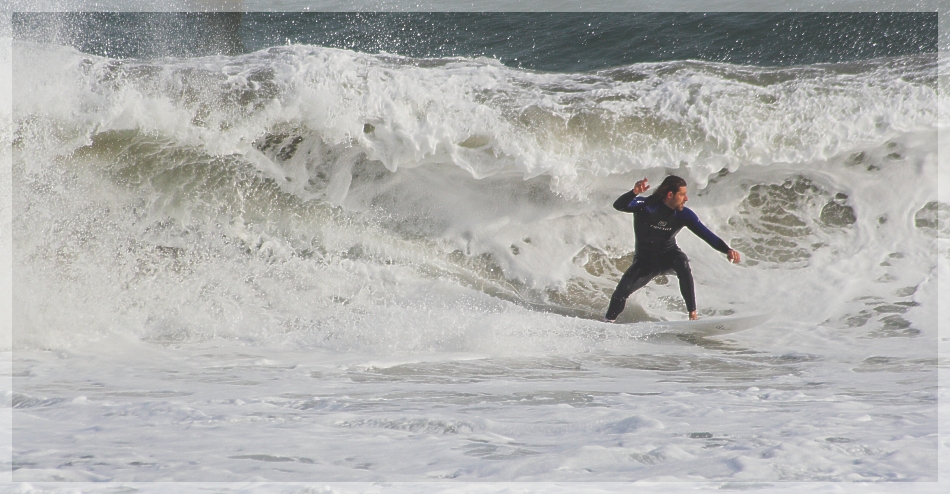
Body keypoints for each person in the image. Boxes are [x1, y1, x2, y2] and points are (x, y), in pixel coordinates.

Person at [605, 175, 740, 322]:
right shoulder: (645, 206)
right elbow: (619, 205)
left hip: (668, 256)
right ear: (670, 195)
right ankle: (608, 322)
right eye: (682, 194)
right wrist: (634, 192)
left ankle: (693, 315)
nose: (686, 198)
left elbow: (706, 234)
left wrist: (727, 250)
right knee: (621, 293)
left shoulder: (684, 215)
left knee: (682, 262)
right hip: (645, 262)